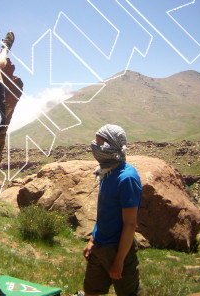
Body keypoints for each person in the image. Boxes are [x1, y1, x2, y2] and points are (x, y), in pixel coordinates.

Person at [82, 124, 142, 296]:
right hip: (99, 247)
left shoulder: (127, 178)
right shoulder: (106, 172)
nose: (95, 146)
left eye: (99, 143)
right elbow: (104, 214)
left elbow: (130, 224)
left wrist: (119, 260)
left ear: (112, 145)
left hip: (119, 250)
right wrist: (93, 239)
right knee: (91, 291)